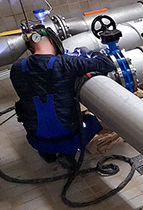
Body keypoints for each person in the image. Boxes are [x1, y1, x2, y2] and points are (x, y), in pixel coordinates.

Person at [10, 24, 115, 165]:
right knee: (91, 121)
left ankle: (47, 154)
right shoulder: (65, 63)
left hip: (36, 139)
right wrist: (89, 51)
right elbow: (106, 64)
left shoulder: (16, 68)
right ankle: (68, 153)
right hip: (70, 136)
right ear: (52, 39)